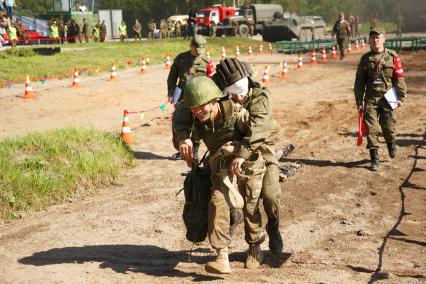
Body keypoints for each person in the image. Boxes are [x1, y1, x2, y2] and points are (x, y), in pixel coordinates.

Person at [177, 76, 270, 273]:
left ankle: (255, 247)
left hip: (247, 161)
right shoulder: (197, 116)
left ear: (214, 100)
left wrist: (242, 153)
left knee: (249, 204)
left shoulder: (238, 114)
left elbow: (261, 134)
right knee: (216, 201)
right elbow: (180, 118)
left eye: (202, 106)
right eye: (193, 108)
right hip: (220, 165)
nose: (197, 111)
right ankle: (222, 256)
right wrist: (183, 140)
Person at [212, 58, 283, 255]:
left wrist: (242, 154)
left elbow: (259, 129)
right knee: (229, 197)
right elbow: (194, 102)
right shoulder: (221, 93)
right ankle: (235, 226)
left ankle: (274, 225)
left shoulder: (261, 96)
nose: (238, 98)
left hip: (261, 149)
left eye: (241, 93)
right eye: (233, 94)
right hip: (232, 150)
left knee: (270, 195)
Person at [354, 27, 407, 171]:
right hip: (371, 98)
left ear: (384, 39)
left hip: (388, 97)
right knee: (371, 129)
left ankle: (391, 143)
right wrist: (359, 101)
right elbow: (359, 82)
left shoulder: (392, 56)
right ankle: (374, 158)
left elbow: (399, 77)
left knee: (388, 127)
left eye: (378, 37)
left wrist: (401, 96)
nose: (375, 40)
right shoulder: (365, 59)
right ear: (369, 41)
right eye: (373, 38)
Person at [167, 35, 210, 159]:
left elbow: (210, 80)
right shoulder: (180, 59)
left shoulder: (206, 61)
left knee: (198, 125)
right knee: (178, 124)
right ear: (191, 46)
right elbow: (172, 77)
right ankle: (182, 149)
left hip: (199, 99)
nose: (198, 53)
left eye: (200, 51)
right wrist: (171, 93)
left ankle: (194, 152)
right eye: (196, 50)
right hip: (182, 97)